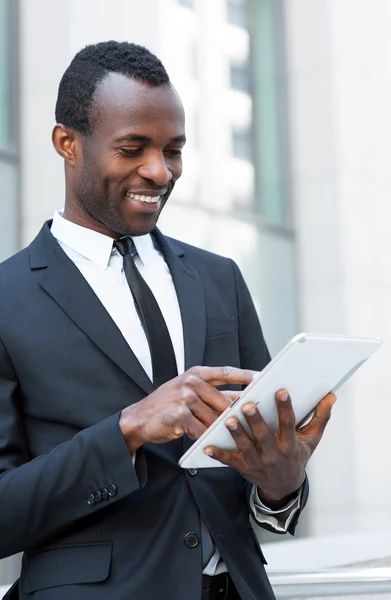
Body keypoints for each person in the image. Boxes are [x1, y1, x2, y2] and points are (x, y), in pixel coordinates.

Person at [0, 41, 335, 600]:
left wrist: (281, 486)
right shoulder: (8, 297)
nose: (159, 171)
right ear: (67, 143)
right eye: (132, 148)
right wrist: (128, 429)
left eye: (173, 150)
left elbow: (261, 478)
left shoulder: (219, 277)